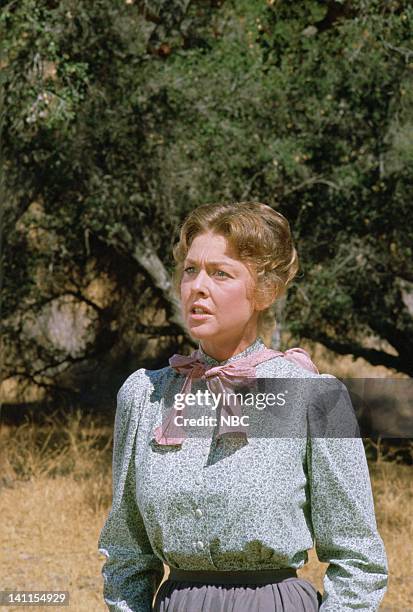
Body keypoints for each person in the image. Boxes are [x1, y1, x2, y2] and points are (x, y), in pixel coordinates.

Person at [98, 202, 388, 611]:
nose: (198, 286)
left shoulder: (313, 397)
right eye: (191, 270)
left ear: (264, 291)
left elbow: (358, 559)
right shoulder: (145, 395)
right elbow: (127, 553)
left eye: (221, 273)